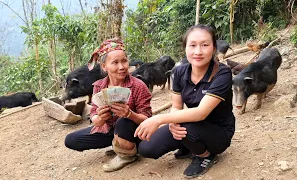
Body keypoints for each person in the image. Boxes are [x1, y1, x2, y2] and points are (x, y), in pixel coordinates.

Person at [135, 24, 235, 178]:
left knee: (185, 126)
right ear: (185, 48)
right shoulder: (179, 72)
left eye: (205, 45)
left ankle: (205, 155)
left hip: (219, 132)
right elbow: (176, 106)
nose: (198, 51)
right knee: (147, 148)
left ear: (214, 48)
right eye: (192, 45)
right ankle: (190, 145)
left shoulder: (222, 73)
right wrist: (173, 123)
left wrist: (159, 119)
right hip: (191, 124)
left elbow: (201, 113)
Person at [64, 38, 152, 172]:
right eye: (115, 62)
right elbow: (94, 117)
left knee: (123, 122)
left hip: (134, 131)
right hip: (108, 129)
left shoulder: (138, 86)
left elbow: (148, 120)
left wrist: (130, 114)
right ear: (104, 66)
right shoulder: (99, 86)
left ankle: (126, 154)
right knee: (71, 140)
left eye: (124, 61)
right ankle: (116, 142)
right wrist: (100, 118)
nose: (122, 67)